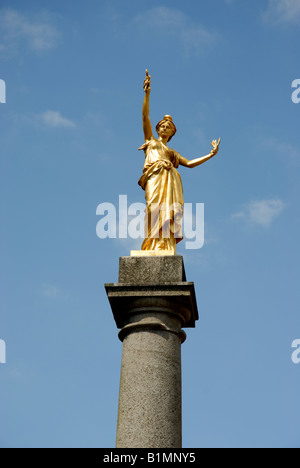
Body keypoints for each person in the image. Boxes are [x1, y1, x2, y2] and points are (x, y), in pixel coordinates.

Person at [138, 70, 220, 253]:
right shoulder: (150, 141)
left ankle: (164, 244)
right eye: (163, 126)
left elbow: (189, 163)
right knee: (152, 207)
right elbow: (145, 117)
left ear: (172, 133)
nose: (165, 128)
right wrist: (147, 94)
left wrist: (210, 154)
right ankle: (151, 243)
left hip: (169, 178)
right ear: (158, 128)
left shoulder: (172, 153)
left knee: (168, 210)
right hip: (154, 177)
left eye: (169, 128)